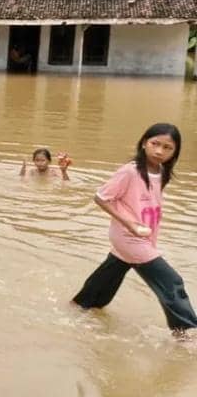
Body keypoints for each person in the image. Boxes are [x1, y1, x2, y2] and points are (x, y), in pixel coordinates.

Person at [72, 124, 196, 334]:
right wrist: (129, 223)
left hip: (144, 235)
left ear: (175, 152)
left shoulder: (161, 171)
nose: (159, 151)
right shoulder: (130, 171)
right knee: (171, 282)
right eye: (155, 144)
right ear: (144, 143)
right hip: (128, 236)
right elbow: (101, 197)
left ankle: (82, 305)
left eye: (167, 147)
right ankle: (188, 333)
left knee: (110, 274)